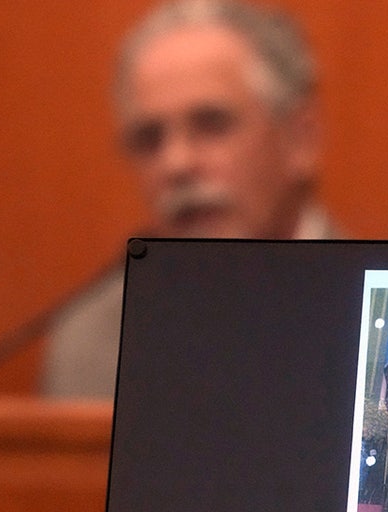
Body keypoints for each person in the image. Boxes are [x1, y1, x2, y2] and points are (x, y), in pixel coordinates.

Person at [41, 0, 332, 398]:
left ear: (301, 139)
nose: (175, 163)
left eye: (212, 124)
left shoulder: (376, 307)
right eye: (149, 138)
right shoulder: (97, 339)